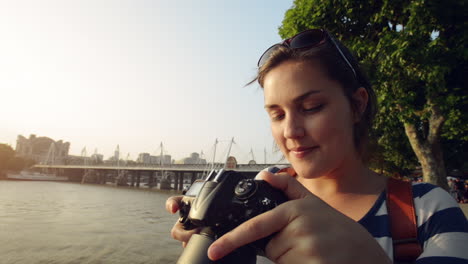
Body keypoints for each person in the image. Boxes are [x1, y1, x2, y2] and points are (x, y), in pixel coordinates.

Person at [166, 29, 468, 263]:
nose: (291, 131)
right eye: (277, 114)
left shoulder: (428, 210)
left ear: (357, 105)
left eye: (311, 107)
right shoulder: (260, 194)